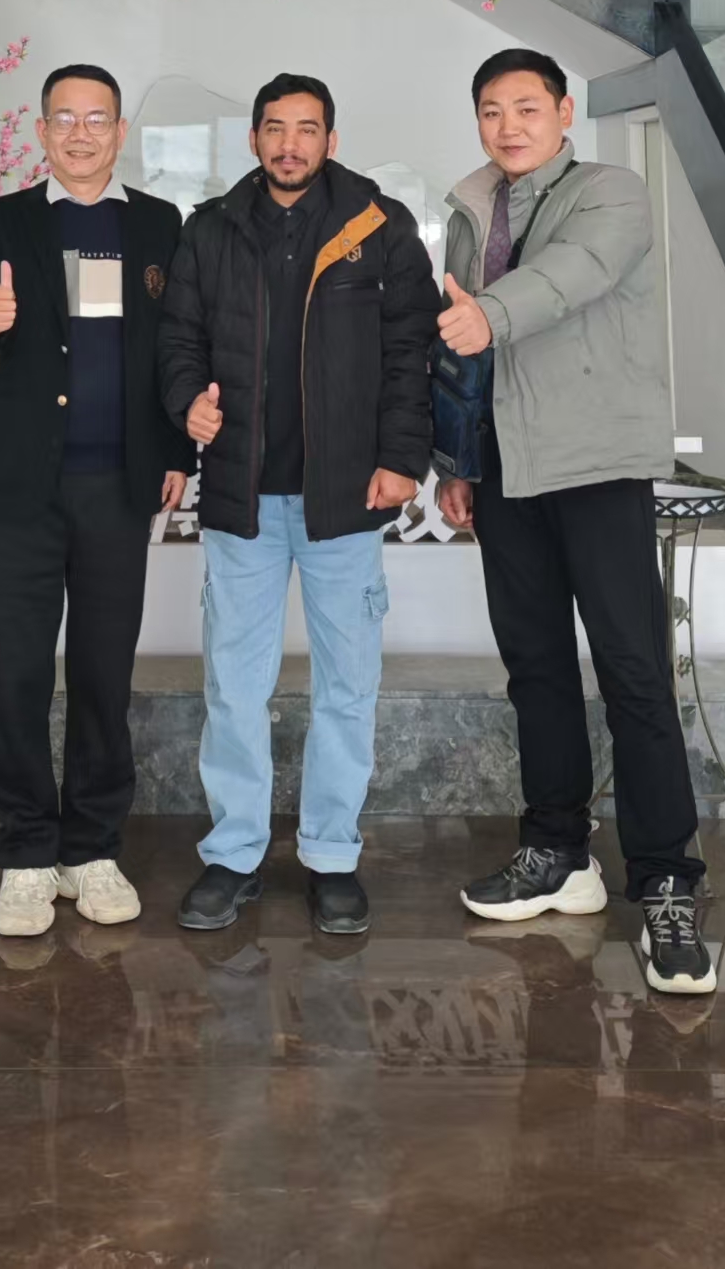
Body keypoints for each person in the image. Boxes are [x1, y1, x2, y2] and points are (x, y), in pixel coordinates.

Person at [437, 46, 716, 994]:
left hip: (597, 465)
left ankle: (668, 880)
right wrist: (458, 463)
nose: (508, 125)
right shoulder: (469, 210)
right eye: (491, 109)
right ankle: (558, 849)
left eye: (527, 106)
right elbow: (463, 358)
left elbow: (572, 274)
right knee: (537, 668)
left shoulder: (611, 192)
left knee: (634, 671)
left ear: (563, 112)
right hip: (508, 471)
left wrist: (489, 312)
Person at [157, 73, 438, 935]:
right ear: (253, 139)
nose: (289, 144)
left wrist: (402, 459)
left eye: (306, 129)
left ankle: (332, 856)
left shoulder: (377, 226)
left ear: (330, 139)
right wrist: (186, 401)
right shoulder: (211, 228)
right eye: (274, 129)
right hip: (241, 493)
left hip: (344, 496)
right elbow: (178, 337)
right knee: (234, 687)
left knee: (347, 685)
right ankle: (234, 853)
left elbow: (410, 350)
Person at [0, 64, 195, 938]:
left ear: (120, 132)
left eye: (97, 119)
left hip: (118, 485)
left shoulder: (158, 223)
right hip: (25, 482)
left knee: (102, 669)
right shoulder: (3, 218)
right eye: (65, 118)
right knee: (14, 668)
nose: (81, 133)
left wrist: (176, 449)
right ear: (42, 131)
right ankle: (24, 852)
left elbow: (177, 344)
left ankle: (91, 846)